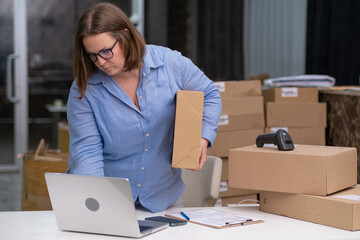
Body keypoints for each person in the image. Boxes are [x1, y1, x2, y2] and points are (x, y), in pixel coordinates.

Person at [67, 2, 221, 213]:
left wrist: (203, 137)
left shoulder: (169, 63)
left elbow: (210, 94)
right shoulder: (85, 88)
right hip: (111, 202)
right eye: (92, 56)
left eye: (105, 52)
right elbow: (87, 153)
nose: (100, 62)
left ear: (125, 36)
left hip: (164, 199)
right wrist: (98, 209)